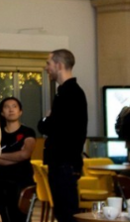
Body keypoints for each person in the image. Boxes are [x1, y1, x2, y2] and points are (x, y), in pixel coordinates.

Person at [37, 49, 86, 222]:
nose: (46, 68)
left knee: (66, 213)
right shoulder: (69, 92)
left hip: (64, 163)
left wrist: (46, 119)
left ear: (59, 65)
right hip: (65, 163)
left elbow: (47, 126)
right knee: (64, 212)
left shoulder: (68, 94)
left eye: (48, 63)